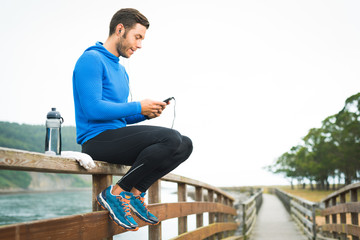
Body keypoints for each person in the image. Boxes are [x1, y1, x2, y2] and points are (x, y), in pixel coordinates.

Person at [72, 8, 193, 231]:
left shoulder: (121, 71)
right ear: (120, 30)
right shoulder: (91, 59)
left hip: (116, 138)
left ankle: (135, 194)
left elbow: (121, 116)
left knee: (185, 144)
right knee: (171, 138)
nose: (139, 45)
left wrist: (144, 113)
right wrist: (138, 105)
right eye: (137, 37)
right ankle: (116, 193)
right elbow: (93, 109)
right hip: (96, 140)